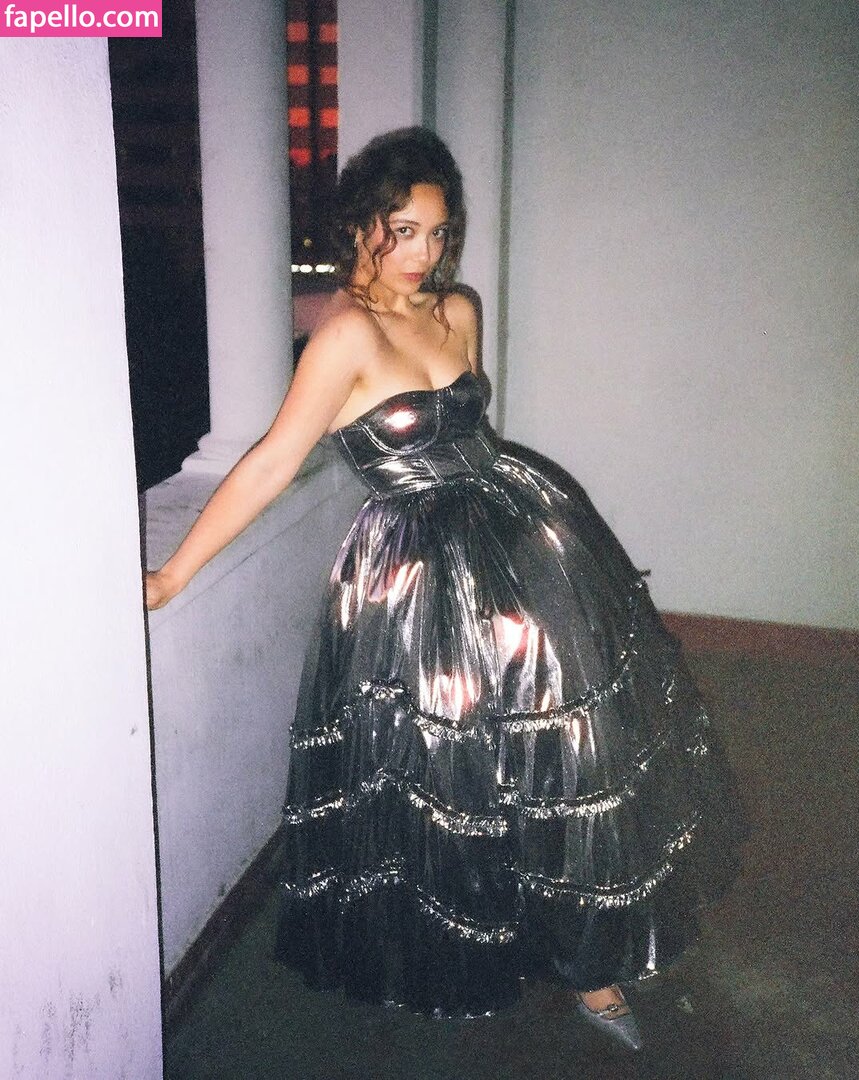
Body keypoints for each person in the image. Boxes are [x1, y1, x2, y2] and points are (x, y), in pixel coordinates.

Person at [147, 127, 743, 1051]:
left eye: (435, 233)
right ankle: (490, 932)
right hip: (419, 574)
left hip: (525, 540)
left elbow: (475, 435)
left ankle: (591, 958)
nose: (422, 254)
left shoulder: (456, 310)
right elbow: (269, 463)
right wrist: (173, 573)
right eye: (403, 231)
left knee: (564, 745)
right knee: (451, 762)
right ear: (361, 227)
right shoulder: (343, 335)